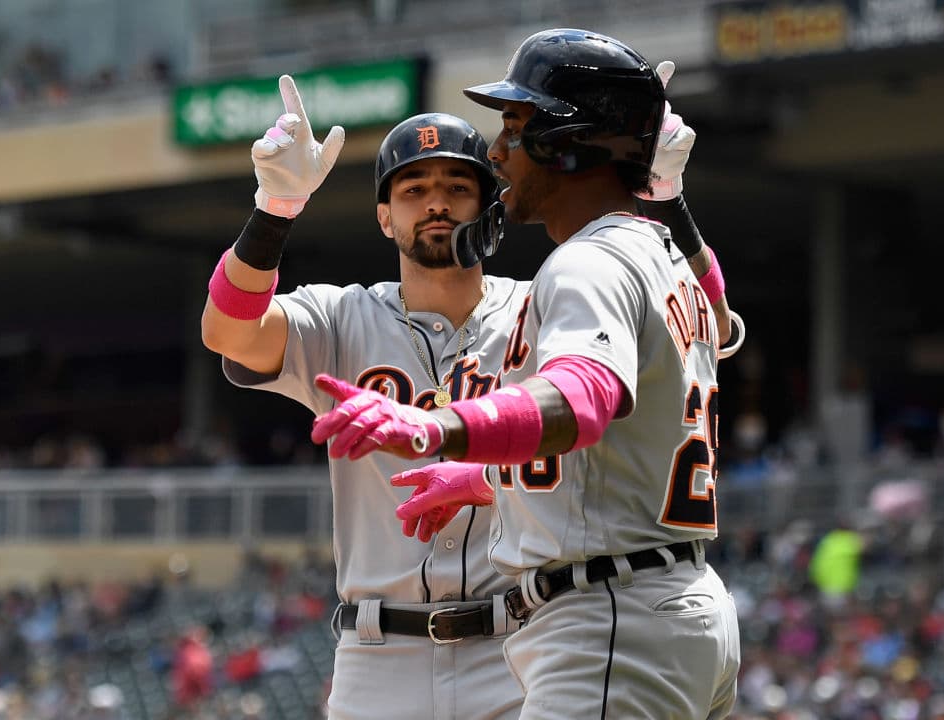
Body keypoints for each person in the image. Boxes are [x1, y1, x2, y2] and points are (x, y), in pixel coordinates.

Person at [308, 28, 741, 719]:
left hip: (611, 616)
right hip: (670, 606)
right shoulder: (664, 256)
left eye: (515, 125)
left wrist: (434, 427)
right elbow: (623, 438)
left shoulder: (586, 263)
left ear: (567, 143)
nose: (498, 151)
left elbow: (583, 399)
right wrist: (488, 476)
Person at [201, 76, 527, 719]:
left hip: (517, 646)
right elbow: (229, 333)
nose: (436, 203)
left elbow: (604, 427)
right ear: (384, 216)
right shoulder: (340, 317)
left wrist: (492, 475)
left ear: (490, 206)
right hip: (380, 656)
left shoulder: (539, 312)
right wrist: (274, 210)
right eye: (413, 189)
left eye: (459, 187)